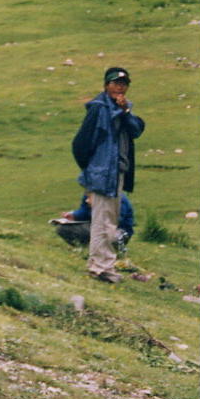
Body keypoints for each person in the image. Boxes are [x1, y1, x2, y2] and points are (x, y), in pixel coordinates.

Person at [72, 67, 145, 283]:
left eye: (123, 84)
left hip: (116, 172)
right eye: (115, 83)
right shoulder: (98, 109)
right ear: (106, 85)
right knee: (104, 221)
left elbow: (137, 130)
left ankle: (101, 265)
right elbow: (80, 144)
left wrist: (125, 111)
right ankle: (101, 268)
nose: (120, 87)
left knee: (107, 220)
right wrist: (92, 168)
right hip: (102, 174)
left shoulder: (122, 110)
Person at [52, 193, 135, 249]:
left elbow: (115, 221)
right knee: (62, 228)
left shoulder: (117, 197)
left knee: (110, 238)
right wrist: (74, 215)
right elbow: (84, 211)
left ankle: (110, 251)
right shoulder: (89, 192)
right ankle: (86, 248)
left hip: (118, 230)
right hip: (96, 227)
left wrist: (97, 206)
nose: (86, 200)